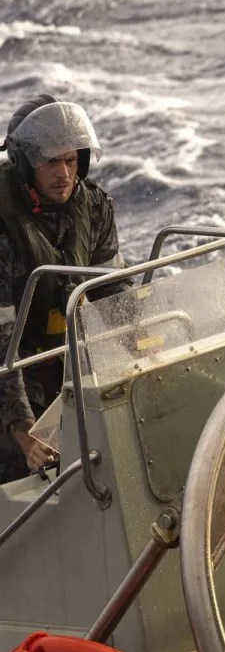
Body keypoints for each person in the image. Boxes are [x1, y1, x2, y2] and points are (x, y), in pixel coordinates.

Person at [0, 95, 129, 481]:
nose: (64, 173)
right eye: (51, 162)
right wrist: (21, 429)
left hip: (63, 355)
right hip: (11, 366)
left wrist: (144, 356)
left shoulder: (93, 205)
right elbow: (2, 337)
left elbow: (115, 295)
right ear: (25, 166)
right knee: (21, 474)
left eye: (71, 160)